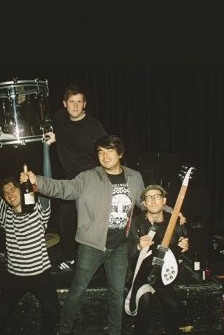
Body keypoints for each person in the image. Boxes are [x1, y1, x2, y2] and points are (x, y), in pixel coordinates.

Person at [25, 134, 175, 335]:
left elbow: (146, 202)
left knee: (116, 295)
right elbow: (64, 188)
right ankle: (64, 330)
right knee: (77, 291)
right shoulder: (88, 177)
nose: (104, 156)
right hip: (91, 246)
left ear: (120, 153)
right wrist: (38, 181)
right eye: (100, 152)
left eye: (109, 151)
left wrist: (172, 212)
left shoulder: (134, 177)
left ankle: (114, 332)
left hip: (121, 246)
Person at [0, 147, 60, 335]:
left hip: (40, 274)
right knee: (0, 315)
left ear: (21, 189)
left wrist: (45, 147)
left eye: (13, 189)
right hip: (15, 275)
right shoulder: (4, 213)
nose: (9, 194)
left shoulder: (38, 209)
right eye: (6, 192)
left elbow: (47, 182)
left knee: (53, 311)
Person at [47, 82, 107, 270]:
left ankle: (98, 261)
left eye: (79, 102)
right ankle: (68, 258)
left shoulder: (94, 127)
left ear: (84, 104)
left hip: (91, 181)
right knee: (66, 223)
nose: (75, 106)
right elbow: (40, 116)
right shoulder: (59, 119)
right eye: (71, 102)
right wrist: (55, 138)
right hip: (70, 182)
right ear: (64, 104)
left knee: (91, 224)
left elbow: (107, 151)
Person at [126, 184, 189, 334]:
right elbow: (125, 254)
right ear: (144, 203)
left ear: (164, 201)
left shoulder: (175, 222)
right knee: (145, 301)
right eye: (149, 198)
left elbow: (179, 252)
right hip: (140, 276)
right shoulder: (135, 223)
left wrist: (184, 247)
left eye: (157, 197)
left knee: (174, 306)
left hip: (162, 277)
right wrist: (138, 246)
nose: (153, 201)